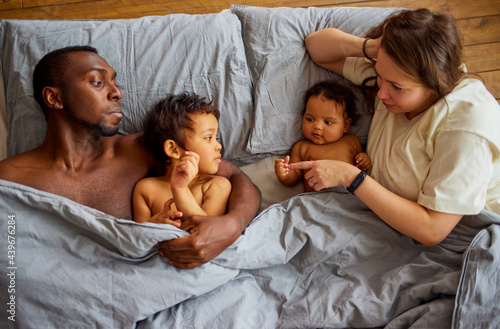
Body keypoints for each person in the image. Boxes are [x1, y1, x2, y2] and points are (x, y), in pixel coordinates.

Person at [0, 46, 260, 268]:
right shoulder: (9, 178)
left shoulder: (140, 149)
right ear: (54, 97)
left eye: (115, 82)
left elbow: (235, 175)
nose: (117, 93)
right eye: (98, 82)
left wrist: (232, 225)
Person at [296, 8, 500, 246]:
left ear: (434, 85)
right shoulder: (393, 74)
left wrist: (352, 177)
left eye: (397, 87)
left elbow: (432, 231)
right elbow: (316, 47)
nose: (381, 93)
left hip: (468, 233)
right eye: (380, 76)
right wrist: (372, 48)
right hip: (387, 221)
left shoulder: (465, 128)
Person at [133, 93, 231, 224]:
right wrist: (153, 224)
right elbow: (136, 239)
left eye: (216, 138)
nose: (219, 146)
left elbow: (207, 232)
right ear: (173, 149)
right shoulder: (145, 189)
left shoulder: (216, 186)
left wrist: (180, 189)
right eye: (208, 138)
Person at [275, 80, 370, 192]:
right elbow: (294, 176)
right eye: (310, 119)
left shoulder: (351, 141)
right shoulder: (302, 148)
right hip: (315, 199)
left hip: (347, 197)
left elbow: (360, 168)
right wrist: (284, 174)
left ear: (346, 125)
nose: (317, 126)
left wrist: (365, 161)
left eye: (328, 122)